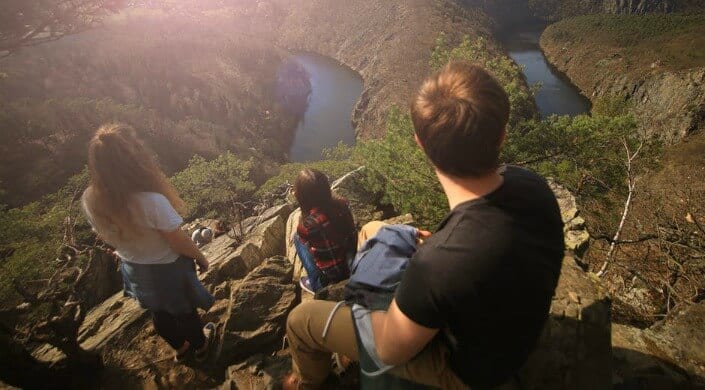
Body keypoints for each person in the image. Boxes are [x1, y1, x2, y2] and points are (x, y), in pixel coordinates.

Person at [283, 62, 565, 389]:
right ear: (501, 135)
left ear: (421, 144)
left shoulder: (438, 265)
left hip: (470, 372)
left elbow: (389, 348)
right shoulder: (533, 186)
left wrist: (363, 309)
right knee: (372, 229)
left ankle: (309, 383)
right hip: (514, 329)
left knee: (300, 321)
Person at [81, 123, 215, 363]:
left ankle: (180, 349)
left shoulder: (90, 199)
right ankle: (201, 347)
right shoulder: (150, 201)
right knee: (185, 311)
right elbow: (178, 241)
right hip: (169, 268)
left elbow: (103, 234)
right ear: (134, 159)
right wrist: (201, 257)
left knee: (159, 312)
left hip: (134, 267)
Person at [292, 168, 356, 294]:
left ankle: (317, 284)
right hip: (351, 264)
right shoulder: (343, 204)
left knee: (297, 239)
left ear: (301, 196)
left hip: (330, 273)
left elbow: (309, 244)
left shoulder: (306, 226)